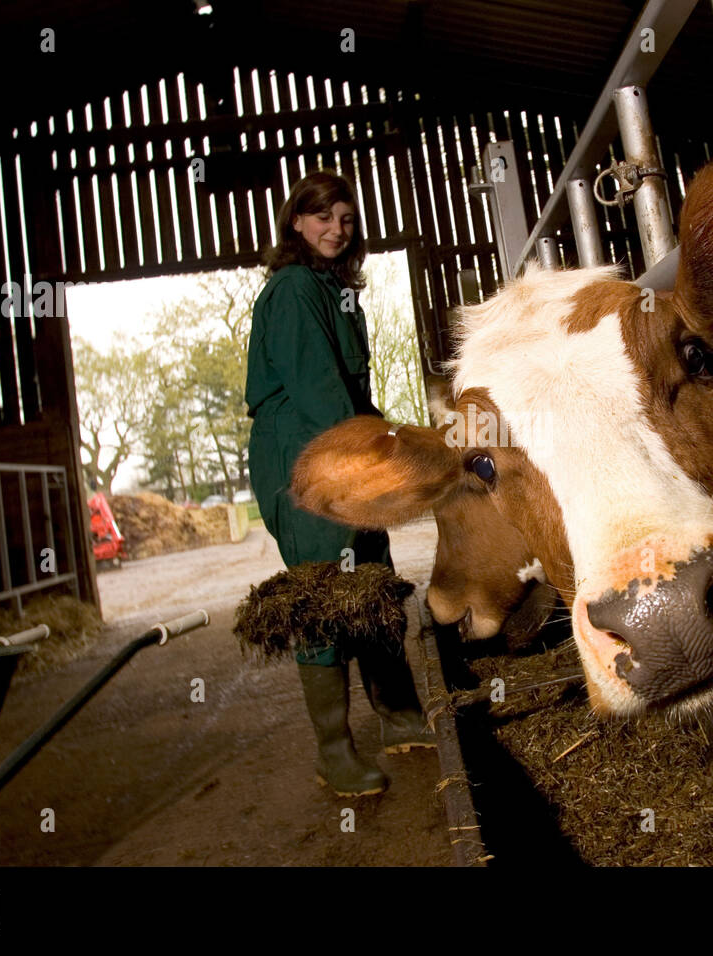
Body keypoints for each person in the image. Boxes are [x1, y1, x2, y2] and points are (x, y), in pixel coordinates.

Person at [245, 170, 433, 797]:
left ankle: (400, 717)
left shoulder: (332, 289)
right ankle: (334, 750)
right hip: (305, 460)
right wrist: (381, 451)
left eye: (347, 220)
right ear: (296, 222)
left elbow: (352, 392)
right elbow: (320, 393)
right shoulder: (295, 288)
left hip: (343, 453)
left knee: (371, 582)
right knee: (324, 596)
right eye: (323, 216)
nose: (337, 229)